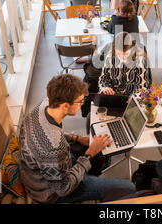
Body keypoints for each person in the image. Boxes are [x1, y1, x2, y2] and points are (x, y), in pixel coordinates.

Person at [19, 74, 135, 203]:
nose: (82, 104)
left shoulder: (41, 107)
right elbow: (63, 189)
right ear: (65, 106)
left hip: (42, 172)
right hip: (51, 193)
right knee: (128, 187)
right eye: (80, 101)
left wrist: (76, 138)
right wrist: (90, 154)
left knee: (94, 151)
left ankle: (91, 175)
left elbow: (49, 135)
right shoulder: (54, 147)